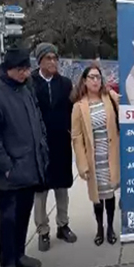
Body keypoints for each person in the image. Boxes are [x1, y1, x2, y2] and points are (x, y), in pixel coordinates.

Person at [0, 47, 49, 267]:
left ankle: (19, 254)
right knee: (8, 218)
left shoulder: (26, 87)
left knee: (23, 214)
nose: (26, 73)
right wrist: (6, 165)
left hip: (31, 165)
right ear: (8, 69)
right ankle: (7, 263)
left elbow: (37, 118)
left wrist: (42, 148)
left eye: (27, 69)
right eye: (21, 70)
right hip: (9, 170)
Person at [30, 43, 77, 252]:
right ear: (39, 60)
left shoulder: (65, 84)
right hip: (39, 145)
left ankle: (63, 224)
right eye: (48, 58)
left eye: (55, 58)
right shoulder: (30, 83)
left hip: (61, 142)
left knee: (61, 187)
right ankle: (43, 230)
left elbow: (74, 109)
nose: (52, 62)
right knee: (40, 191)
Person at [71, 65, 121, 246]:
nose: (95, 81)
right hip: (94, 158)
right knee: (97, 196)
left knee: (110, 194)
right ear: (84, 81)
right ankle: (100, 227)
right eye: (91, 77)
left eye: (98, 77)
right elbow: (76, 137)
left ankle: (110, 228)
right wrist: (82, 164)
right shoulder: (79, 106)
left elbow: (125, 107)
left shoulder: (110, 98)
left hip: (111, 156)